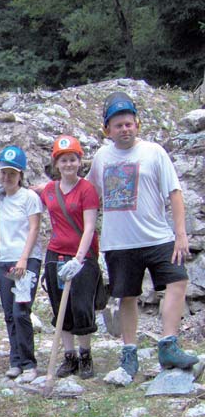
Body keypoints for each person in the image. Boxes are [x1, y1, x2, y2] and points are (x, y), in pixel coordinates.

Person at [86, 92, 197, 377]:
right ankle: (129, 353)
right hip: (119, 242)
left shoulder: (154, 152)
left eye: (129, 124)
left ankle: (168, 344)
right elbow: (88, 194)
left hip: (158, 236)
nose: (125, 129)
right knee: (127, 297)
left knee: (178, 281)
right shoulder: (101, 157)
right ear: (107, 129)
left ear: (137, 124)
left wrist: (180, 233)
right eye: (118, 125)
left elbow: (174, 192)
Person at [40, 136, 101, 379]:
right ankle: (69, 355)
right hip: (55, 254)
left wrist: (79, 258)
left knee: (82, 305)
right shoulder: (49, 190)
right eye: (63, 160)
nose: (68, 164)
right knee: (60, 305)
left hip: (81, 256)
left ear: (80, 161)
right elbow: (32, 194)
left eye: (72, 159)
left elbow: (89, 227)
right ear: (56, 164)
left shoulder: (87, 189)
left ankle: (85, 354)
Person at [0, 146, 43, 383]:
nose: (7, 177)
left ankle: (29, 363)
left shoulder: (30, 198)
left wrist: (24, 258)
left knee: (21, 311)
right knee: (9, 314)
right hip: (3, 260)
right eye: (3, 172)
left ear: (20, 174)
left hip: (26, 260)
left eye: (12, 173)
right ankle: (15, 360)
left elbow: (34, 228)